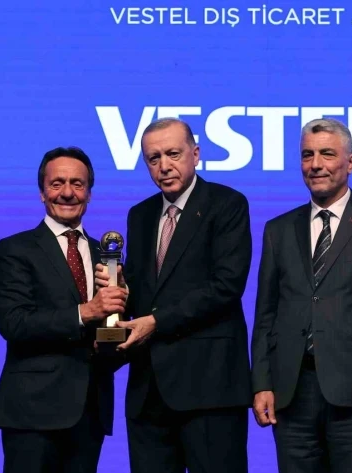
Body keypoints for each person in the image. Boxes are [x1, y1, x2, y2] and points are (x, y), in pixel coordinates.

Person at [251, 118, 352, 473]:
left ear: (350, 162)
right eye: (307, 155)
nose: (315, 164)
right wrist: (261, 383)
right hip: (292, 394)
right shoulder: (278, 230)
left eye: (327, 154)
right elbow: (266, 314)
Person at [99, 118, 252, 473]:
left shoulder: (227, 204)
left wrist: (156, 321)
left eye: (173, 154)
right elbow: (145, 291)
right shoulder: (140, 214)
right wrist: (121, 289)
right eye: (153, 158)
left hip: (210, 387)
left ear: (195, 154)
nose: (164, 166)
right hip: (149, 390)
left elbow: (226, 286)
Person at [0, 146, 128, 473]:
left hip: (90, 411)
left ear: (89, 193)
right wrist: (85, 312)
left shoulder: (106, 254)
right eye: (57, 184)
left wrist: (122, 314)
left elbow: (114, 330)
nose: (67, 193)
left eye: (77, 184)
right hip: (32, 412)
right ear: (42, 193)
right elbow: (13, 323)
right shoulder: (15, 249)